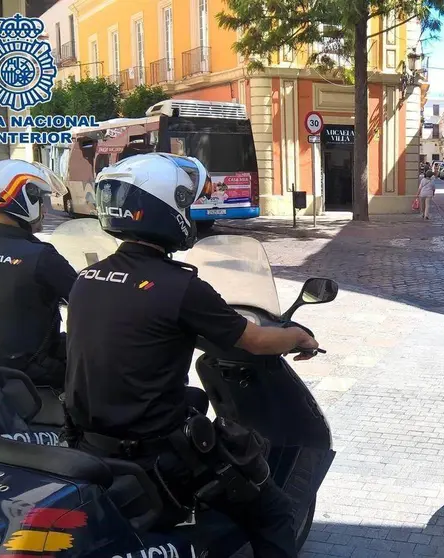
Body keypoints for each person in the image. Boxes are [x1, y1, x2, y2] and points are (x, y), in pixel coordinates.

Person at [64, 153, 318, 558]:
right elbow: (252, 340)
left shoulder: (87, 278)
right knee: (273, 511)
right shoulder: (180, 286)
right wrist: (298, 336)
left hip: (91, 443)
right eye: (183, 202)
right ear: (165, 208)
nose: (189, 210)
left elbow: (140, 335)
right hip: (157, 455)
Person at [0, 159, 77, 390]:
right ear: (24, 199)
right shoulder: (41, 256)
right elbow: (84, 298)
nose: (43, 209)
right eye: (40, 200)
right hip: (30, 372)